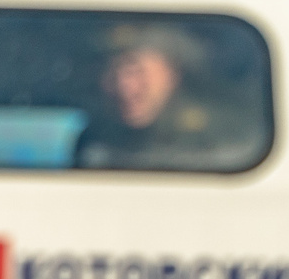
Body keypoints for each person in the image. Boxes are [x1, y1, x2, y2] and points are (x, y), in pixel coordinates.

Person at [75, 23, 263, 172]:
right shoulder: (98, 140)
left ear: (172, 73)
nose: (123, 85)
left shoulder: (226, 135)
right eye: (110, 72)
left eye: (135, 70)